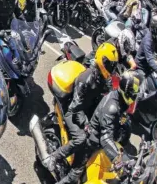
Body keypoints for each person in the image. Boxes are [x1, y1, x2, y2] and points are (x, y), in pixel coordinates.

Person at [44, 43, 119, 171]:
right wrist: (86, 124)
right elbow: (76, 106)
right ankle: (54, 157)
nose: (111, 68)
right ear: (102, 60)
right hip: (72, 110)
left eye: (113, 65)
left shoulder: (103, 78)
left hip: (84, 107)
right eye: (109, 64)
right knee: (81, 138)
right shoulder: (86, 79)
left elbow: (107, 94)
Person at [55, 72, 140, 184]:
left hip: (100, 137)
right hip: (92, 141)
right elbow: (105, 138)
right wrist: (117, 160)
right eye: (133, 94)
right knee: (73, 178)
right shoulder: (112, 107)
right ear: (126, 92)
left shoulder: (121, 100)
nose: (134, 98)